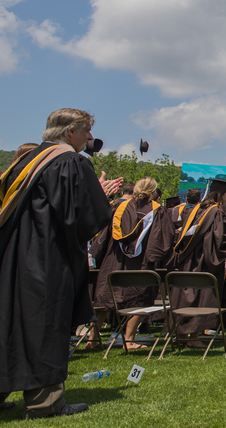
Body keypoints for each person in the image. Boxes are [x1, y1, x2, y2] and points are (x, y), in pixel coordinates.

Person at [0, 108, 122, 419]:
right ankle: (46, 402)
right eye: (86, 131)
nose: (90, 138)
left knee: (10, 322)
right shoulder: (68, 161)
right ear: (69, 132)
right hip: (46, 257)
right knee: (44, 323)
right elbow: (80, 217)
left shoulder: (26, 160)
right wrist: (102, 198)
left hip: (14, 255)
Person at [91, 177, 160, 350]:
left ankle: (92, 339)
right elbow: (161, 240)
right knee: (139, 299)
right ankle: (129, 340)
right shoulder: (157, 211)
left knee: (106, 299)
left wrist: (97, 255)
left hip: (115, 260)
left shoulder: (119, 208)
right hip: (141, 263)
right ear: (153, 193)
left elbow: (104, 236)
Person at [169, 180, 226, 347]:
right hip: (204, 261)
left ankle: (182, 334)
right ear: (219, 195)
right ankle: (194, 336)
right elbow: (219, 240)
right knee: (200, 297)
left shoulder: (197, 210)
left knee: (187, 296)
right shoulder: (216, 213)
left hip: (189, 260)